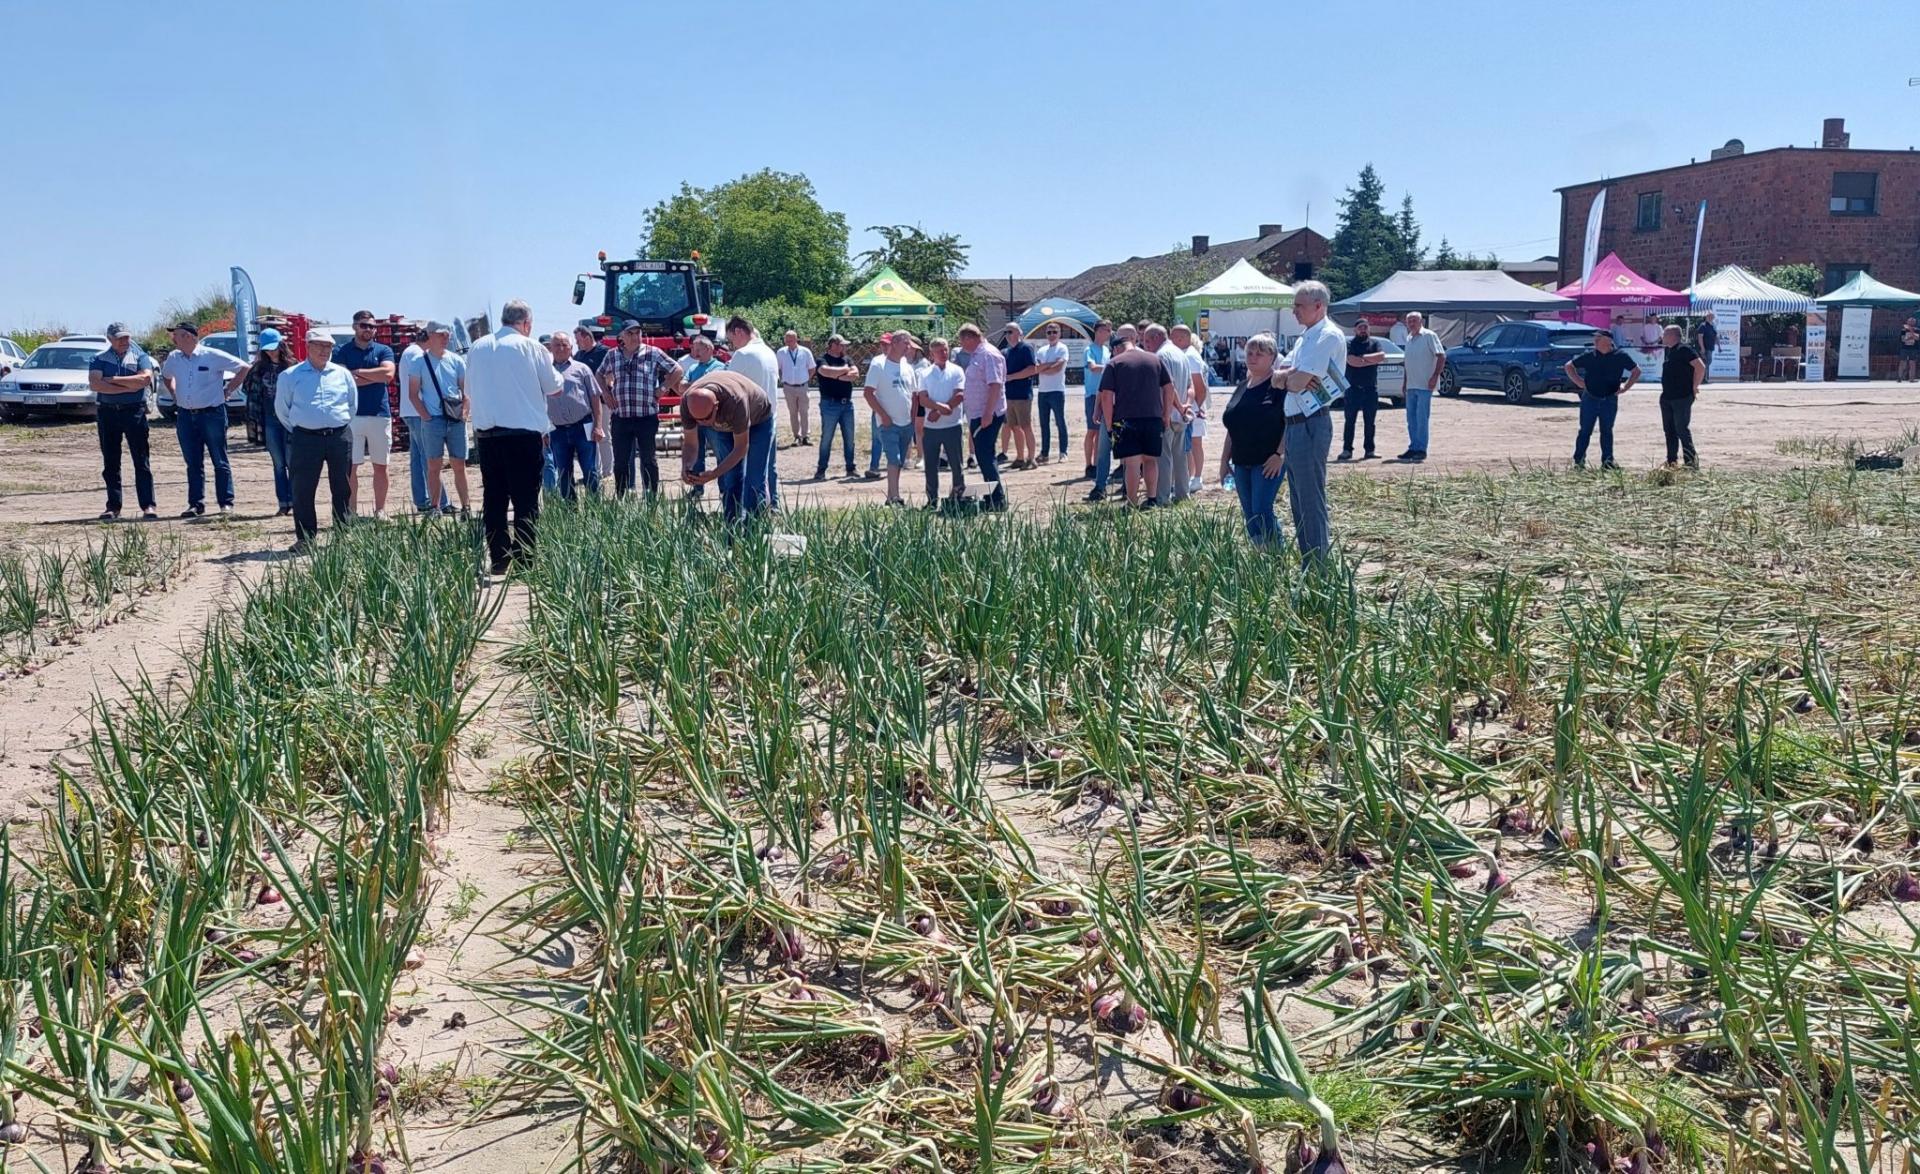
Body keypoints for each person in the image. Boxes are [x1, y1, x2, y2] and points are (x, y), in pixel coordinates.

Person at [466, 300, 560, 576]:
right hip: (522, 435)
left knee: (494, 498)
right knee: (525, 500)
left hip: (487, 436)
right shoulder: (532, 347)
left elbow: (468, 389)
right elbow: (554, 386)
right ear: (526, 323)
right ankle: (525, 558)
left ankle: (499, 557)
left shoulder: (477, 347)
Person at [1273, 280, 1340, 559]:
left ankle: (1317, 565)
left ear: (1318, 306)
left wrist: (1289, 377)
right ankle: (1309, 561)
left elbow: (1297, 381)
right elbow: (1279, 374)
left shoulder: (1328, 336)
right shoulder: (1305, 337)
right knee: (1299, 500)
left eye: (1299, 305)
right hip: (1295, 424)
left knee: (1310, 499)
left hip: (1311, 422)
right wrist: (1289, 377)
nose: (1294, 311)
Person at [274, 330, 357, 552]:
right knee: (303, 489)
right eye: (319, 345)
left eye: (328, 346)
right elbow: (282, 409)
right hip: (305, 439)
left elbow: (352, 405)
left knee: (342, 486)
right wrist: (303, 427)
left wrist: (336, 422)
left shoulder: (342, 374)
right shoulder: (290, 376)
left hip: (339, 436)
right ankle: (305, 538)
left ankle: (342, 535)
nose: (324, 350)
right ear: (308, 346)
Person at [159, 321, 249, 518]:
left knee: (219, 459)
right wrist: (174, 394)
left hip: (212, 414)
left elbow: (243, 368)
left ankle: (225, 503)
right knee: (193, 462)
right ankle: (195, 504)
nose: (174, 339)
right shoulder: (174, 358)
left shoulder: (212, 355)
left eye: (177, 335)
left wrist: (228, 390)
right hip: (185, 415)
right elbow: (166, 376)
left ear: (189, 337)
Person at [595, 322, 682, 497]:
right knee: (621, 461)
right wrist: (606, 393)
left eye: (638, 333)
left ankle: (651, 496)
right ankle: (622, 495)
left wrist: (663, 388)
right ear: (622, 336)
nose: (635, 336)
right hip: (621, 417)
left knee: (648, 459)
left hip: (646, 416)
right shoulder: (612, 355)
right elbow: (599, 374)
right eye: (630, 333)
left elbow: (677, 370)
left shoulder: (653, 352)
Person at [1217, 332, 1288, 546]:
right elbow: (1233, 427)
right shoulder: (1242, 386)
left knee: (1261, 510)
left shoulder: (1279, 386)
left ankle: (1277, 553)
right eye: (1250, 353)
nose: (1253, 357)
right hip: (1241, 461)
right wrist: (1224, 461)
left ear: (1272, 357)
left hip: (1268, 461)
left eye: (1259, 354)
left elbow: (1290, 422)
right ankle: (1260, 553)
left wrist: (1280, 454)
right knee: (1249, 513)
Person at [680, 369, 774, 521]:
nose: (702, 423)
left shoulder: (736, 401)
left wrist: (715, 473)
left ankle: (755, 526)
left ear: (716, 406)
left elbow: (741, 447)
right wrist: (687, 465)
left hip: (759, 419)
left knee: (755, 479)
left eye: (706, 418)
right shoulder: (687, 402)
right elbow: (690, 443)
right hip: (726, 423)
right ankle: (732, 526)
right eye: (698, 420)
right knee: (731, 477)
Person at [87, 322, 158, 522]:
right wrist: (129, 385)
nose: (124, 341)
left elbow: (145, 380)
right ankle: (113, 506)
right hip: (108, 412)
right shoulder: (99, 358)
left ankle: (148, 505)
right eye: (119, 338)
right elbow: (95, 384)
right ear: (110, 339)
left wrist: (112, 379)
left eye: (126, 337)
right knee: (111, 462)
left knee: (141, 459)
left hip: (134, 411)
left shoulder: (140, 357)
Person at [1098, 326, 1175, 507]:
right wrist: (1166, 414)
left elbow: (1106, 396)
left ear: (1117, 348)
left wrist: (1109, 424)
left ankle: (1132, 503)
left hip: (1126, 420)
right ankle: (1152, 499)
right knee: (1150, 460)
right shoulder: (1154, 359)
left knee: (1132, 463)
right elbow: (1169, 388)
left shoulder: (1114, 363)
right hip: (1153, 418)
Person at [405, 322, 472, 514]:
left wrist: (464, 414)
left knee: (459, 464)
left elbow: (466, 391)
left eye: (447, 334)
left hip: (455, 419)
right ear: (430, 335)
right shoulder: (419, 361)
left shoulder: (456, 360)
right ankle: (435, 507)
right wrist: (426, 416)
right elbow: (413, 394)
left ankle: (466, 506)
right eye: (441, 334)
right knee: (433, 465)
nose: (445, 338)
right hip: (433, 420)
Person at [336, 310, 396, 519]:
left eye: (372, 326)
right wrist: (374, 376)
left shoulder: (383, 350)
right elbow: (343, 381)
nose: (368, 329)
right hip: (352, 416)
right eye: (364, 325)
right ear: (354, 326)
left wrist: (357, 373)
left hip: (380, 414)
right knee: (351, 467)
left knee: (381, 465)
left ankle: (380, 510)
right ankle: (351, 511)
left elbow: (388, 374)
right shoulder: (342, 351)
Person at [723, 316, 781, 510]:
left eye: (731, 339)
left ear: (738, 332)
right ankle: (770, 508)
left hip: (751, 422)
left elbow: (729, 388)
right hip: (770, 418)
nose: (732, 344)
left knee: (750, 475)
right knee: (765, 470)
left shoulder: (743, 354)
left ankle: (751, 515)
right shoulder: (769, 352)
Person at [238, 327, 296, 515]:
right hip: (269, 419)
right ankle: (283, 503)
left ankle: (296, 501)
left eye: (273, 348)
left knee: (292, 463)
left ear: (281, 345)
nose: (271, 352)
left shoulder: (293, 367)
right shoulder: (258, 368)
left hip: (290, 420)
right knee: (278, 464)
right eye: (267, 349)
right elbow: (247, 389)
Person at [1564, 329, 1640, 469]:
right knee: (1585, 430)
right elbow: (1569, 366)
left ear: (1608, 341)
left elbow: (1636, 371)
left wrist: (1626, 387)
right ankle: (1579, 461)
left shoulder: (1620, 356)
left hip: (1609, 399)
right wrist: (1579, 382)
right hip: (1590, 398)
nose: (1595, 341)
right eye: (1595, 339)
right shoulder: (1590, 356)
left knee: (1606, 431)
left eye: (1598, 338)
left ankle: (1607, 462)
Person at [863, 329, 921, 506]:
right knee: (893, 459)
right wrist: (883, 415)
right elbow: (868, 393)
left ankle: (891, 496)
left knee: (900, 461)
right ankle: (895, 497)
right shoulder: (879, 365)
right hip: (888, 423)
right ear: (894, 344)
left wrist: (913, 418)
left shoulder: (907, 366)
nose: (908, 347)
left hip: (906, 423)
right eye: (905, 343)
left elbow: (914, 395)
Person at [543, 330, 601, 499]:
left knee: (590, 470)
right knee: (563, 474)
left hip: (583, 426)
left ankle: (594, 507)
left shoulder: (582, 369)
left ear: (571, 348)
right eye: (557, 345)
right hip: (557, 430)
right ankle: (570, 510)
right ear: (551, 348)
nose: (561, 348)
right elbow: (540, 402)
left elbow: (595, 397)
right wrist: (543, 431)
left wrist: (598, 426)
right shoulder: (545, 372)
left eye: (564, 345)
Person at [396, 326, 448, 514]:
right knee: (430, 457)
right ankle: (440, 501)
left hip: (412, 411)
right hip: (418, 411)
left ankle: (423, 499)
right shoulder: (417, 354)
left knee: (418, 457)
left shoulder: (410, 352)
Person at [956, 324, 1008, 508]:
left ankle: (997, 499)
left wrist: (988, 413)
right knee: (983, 455)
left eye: (962, 341)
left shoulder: (989, 354)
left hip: (987, 414)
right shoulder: (977, 354)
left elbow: (995, 385)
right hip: (978, 413)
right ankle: (991, 496)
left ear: (970, 338)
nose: (961, 346)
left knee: (985, 455)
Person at [917, 336, 968, 508]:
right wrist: (939, 407)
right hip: (931, 428)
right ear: (932, 354)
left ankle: (958, 497)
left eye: (945, 349)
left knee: (956, 464)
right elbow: (922, 398)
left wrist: (939, 411)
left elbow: (959, 395)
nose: (943, 353)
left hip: (952, 425)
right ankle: (932, 500)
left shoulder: (957, 370)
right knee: (931, 466)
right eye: (939, 351)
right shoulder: (925, 373)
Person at [1149, 324, 1195, 504]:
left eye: (1147, 341)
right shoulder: (1181, 354)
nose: (1146, 346)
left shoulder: (1160, 356)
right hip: (1181, 416)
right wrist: (1186, 405)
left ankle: (1163, 497)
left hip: (1167, 413)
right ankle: (1183, 494)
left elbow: (1169, 387)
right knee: (1180, 457)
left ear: (1156, 337)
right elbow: (1190, 386)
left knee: (1164, 458)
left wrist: (1171, 410)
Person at [679, 334, 726, 494]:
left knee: (720, 453)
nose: (695, 353)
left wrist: (692, 385)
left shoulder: (720, 367)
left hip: (713, 419)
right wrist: (700, 384)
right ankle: (697, 488)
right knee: (696, 455)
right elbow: (681, 387)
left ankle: (724, 488)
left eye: (698, 349)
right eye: (694, 349)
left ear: (709, 349)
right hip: (694, 419)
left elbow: (712, 386)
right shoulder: (693, 368)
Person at [1395, 311, 1445, 462]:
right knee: (1411, 419)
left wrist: (1435, 376)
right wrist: (1405, 382)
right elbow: (1408, 362)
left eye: (1414, 320)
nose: (1411, 323)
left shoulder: (1429, 336)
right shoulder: (1409, 338)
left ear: (1421, 321)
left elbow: (1441, 356)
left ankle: (1421, 449)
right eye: (1409, 321)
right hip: (1411, 385)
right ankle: (1413, 447)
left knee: (1422, 418)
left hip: (1424, 384)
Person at [812, 334, 859, 480]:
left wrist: (837, 375)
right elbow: (825, 371)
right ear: (832, 345)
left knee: (849, 438)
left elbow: (855, 374)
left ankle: (850, 468)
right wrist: (844, 371)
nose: (843, 347)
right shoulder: (822, 359)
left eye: (843, 345)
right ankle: (821, 470)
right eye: (840, 344)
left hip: (847, 404)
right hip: (829, 404)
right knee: (827, 438)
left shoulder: (847, 359)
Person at [1658, 324, 1705, 467]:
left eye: (1664, 334)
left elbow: (1700, 367)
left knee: (1681, 429)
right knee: (1669, 430)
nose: (1662, 337)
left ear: (1672, 335)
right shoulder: (1670, 351)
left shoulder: (1684, 349)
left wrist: (1695, 386)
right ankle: (1671, 461)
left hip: (1682, 396)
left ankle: (1690, 462)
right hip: (1667, 397)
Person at [1170, 323, 1209, 492]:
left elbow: (1199, 386)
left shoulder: (1190, 356)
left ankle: (1195, 477)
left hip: (1192, 408)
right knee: (1191, 444)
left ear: (1182, 338)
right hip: (1191, 407)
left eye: (1173, 337)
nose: (1170, 340)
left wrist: (1197, 408)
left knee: (1193, 443)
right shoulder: (1189, 354)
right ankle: (1191, 477)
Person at [1340, 319, 1386, 461]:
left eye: (1365, 327)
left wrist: (1362, 359)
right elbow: (1351, 361)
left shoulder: (1375, 343)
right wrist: (1370, 360)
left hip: (1370, 389)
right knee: (1350, 421)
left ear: (1369, 329)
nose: (1363, 330)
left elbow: (1381, 356)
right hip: (1353, 389)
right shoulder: (1349, 344)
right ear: (1355, 330)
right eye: (1360, 327)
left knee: (1370, 422)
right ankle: (1347, 450)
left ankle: (1370, 451)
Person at [999, 323, 1039, 469]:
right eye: (1006, 332)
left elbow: (1032, 369)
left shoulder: (1026, 348)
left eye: (1010, 332)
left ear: (1019, 333)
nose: (1008, 335)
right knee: (1014, 427)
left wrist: (1012, 377)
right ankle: (1020, 457)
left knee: (1026, 426)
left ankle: (1031, 458)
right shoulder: (1006, 352)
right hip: (1009, 395)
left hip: (1022, 395)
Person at [1033, 323, 1071, 465]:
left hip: (1057, 390)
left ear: (1059, 333)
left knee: (1060, 422)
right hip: (1043, 391)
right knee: (1044, 424)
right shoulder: (1041, 350)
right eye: (1049, 332)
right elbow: (1036, 368)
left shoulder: (1062, 348)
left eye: (1054, 332)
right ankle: (1045, 453)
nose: (1052, 335)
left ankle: (1063, 452)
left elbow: (1058, 368)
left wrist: (1044, 368)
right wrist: (1049, 365)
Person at [1081, 320, 1111, 483]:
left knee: (1101, 431)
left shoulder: (1107, 350)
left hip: (1105, 393)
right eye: (1107, 330)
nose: (1109, 333)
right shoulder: (1089, 349)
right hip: (1093, 394)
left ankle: (1098, 463)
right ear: (1098, 331)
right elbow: (1092, 367)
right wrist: (1110, 368)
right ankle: (1088, 464)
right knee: (1092, 430)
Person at [776, 330, 815, 446]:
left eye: (791, 340)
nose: (788, 342)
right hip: (788, 387)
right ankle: (796, 436)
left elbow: (812, 368)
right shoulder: (781, 352)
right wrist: (781, 379)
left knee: (804, 411)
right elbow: (777, 368)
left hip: (803, 386)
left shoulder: (805, 352)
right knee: (793, 412)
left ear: (796, 339)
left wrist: (806, 379)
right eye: (787, 340)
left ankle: (805, 436)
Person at [1692, 312, 1718, 384]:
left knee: (1708, 362)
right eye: (1710, 316)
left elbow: (1715, 336)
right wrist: (1702, 348)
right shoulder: (1703, 326)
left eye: (1712, 317)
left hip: (1710, 348)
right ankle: (1702, 379)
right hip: (1705, 348)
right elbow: (1700, 337)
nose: (1711, 318)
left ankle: (1704, 378)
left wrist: (1719, 346)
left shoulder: (1712, 326)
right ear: (1706, 317)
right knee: (1705, 363)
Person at [1899, 316, 1920, 383]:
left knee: (1912, 363)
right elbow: (1903, 339)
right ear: (1907, 322)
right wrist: (1911, 337)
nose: (1911, 322)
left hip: (1914, 348)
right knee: (1902, 362)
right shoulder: (1903, 330)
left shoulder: (1917, 330)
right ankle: (1900, 378)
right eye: (1910, 321)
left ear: (1915, 322)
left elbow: (1917, 338)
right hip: (1904, 348)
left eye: (1913, 321)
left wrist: (1911, 330)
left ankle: (1911, 379)